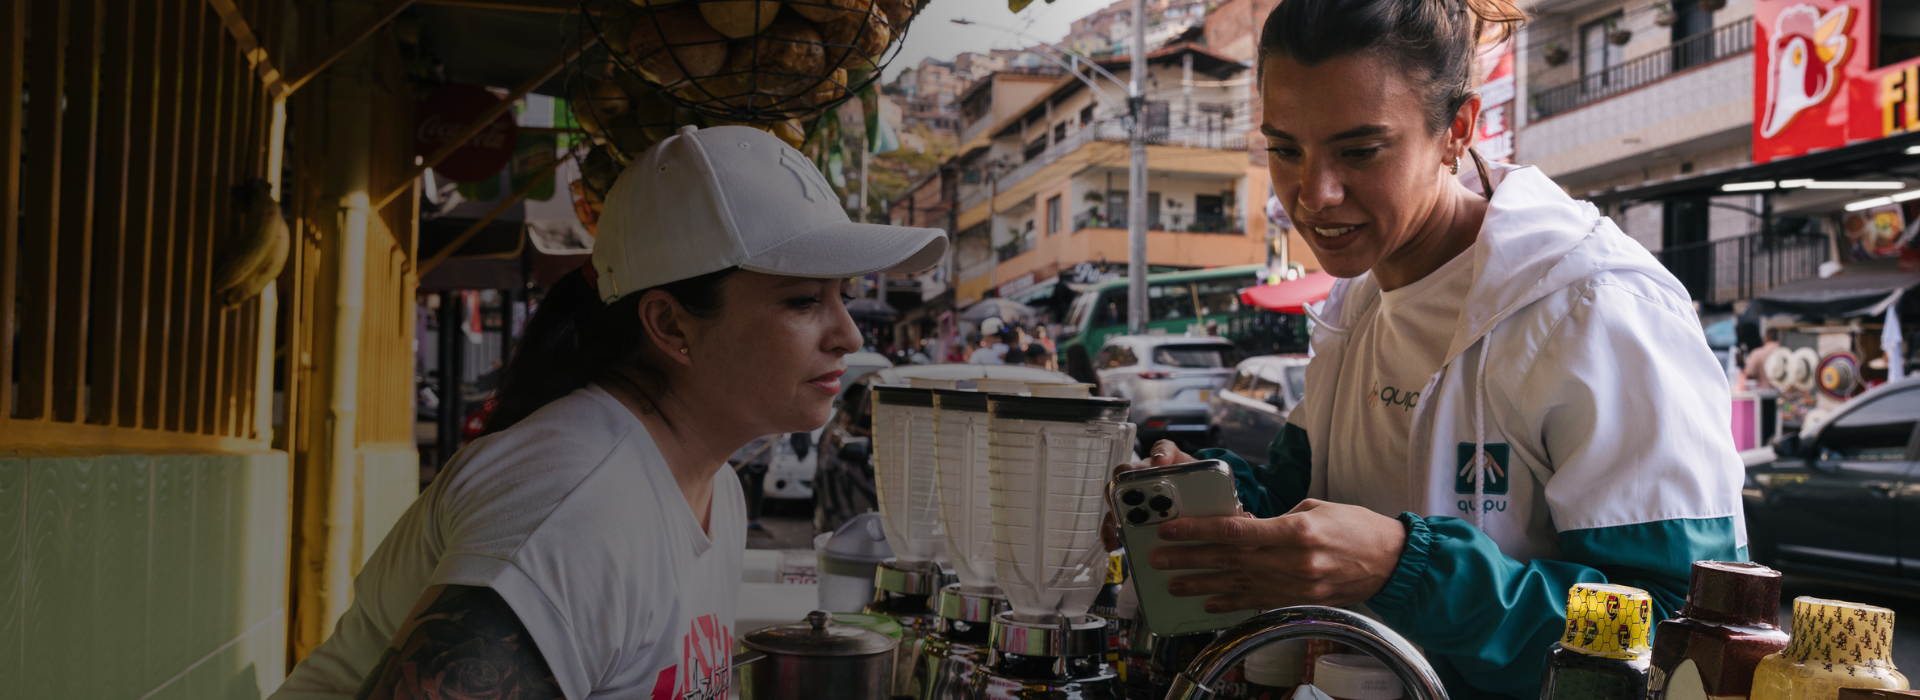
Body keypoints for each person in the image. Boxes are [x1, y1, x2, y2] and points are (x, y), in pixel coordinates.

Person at [1103, 2, 1745, 697]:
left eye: (1359, 151)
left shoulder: (1595, 307)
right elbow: (1304, 498)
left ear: (1456, 131)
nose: (1314, 195)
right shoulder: (1356, 302)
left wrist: (1404, 569)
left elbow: (1683, 642)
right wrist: (1215, 502)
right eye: (1286, 149)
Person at [271, 126, 945, 700]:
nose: (849, 336)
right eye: (802, 301)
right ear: (671, 326)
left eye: (843, 296)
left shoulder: (719, 492)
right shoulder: (578, 503)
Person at [815, 382, 878, 534]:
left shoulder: (878, 414)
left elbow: (878, 434)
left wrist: (858, 430)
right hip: (855, 461)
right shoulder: (853, 410)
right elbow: (840, 427)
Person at [731, 434, 778, 536]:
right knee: (737, 487)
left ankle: (754, 521)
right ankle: (734, 522)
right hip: (740, 450)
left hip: (762, 453)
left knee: (757, 488)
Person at [1743, 327, 1782, 391]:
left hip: (1764, 394)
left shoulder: (1757, 353)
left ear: (1767, 337)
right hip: (1783, 393)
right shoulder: (1785, 352)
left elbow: (1749, 373)